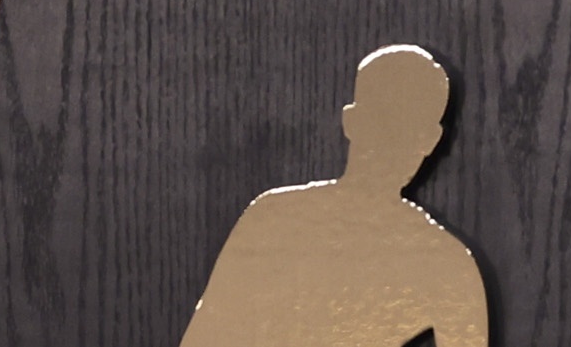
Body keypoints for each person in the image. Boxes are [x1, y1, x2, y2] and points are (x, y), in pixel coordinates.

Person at [177, 45, 488, 347]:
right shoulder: (273, 219)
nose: (393, 143)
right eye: (384, 123)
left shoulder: (447, 264)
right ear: (352, 122)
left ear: (431, 140)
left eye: (409, 129)